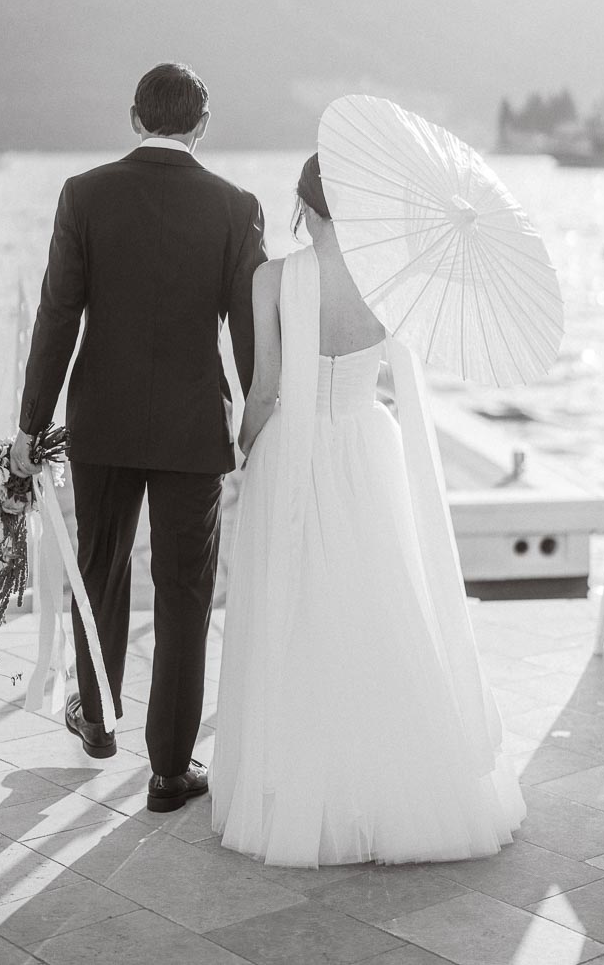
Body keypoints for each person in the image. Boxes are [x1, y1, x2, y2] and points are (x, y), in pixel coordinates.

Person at [211, 153, 526, 866]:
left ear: (302, 203)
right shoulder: (392, 280)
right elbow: (390, 369)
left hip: (295, 451)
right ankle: (405, 784)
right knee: (381, 604)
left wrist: (243, 451)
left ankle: (304, 789)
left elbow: (263, 391)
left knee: (297, 616)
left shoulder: (273, 278)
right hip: (368, 443)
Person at [11, 62, 267, 813]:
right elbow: (248, 334)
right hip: (193, 427)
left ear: (133, 118)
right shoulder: (235, 207)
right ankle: (168, 769)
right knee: (185, 592)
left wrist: (31, 422)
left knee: (103, 565)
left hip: (103, 422)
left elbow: (57, 316)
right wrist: (257, 420)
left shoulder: (85, 194)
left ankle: (96, 717)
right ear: (201, 123)